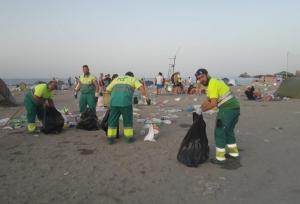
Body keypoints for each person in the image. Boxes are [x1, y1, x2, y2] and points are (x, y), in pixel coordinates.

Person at [195, 68, 240, 164]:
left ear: (207, 74)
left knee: (219, 132)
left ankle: (220, 158)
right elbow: (208, 100)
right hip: (235, 109)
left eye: (202, 77)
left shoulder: (212, 83)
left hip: (227, 109)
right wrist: (200, 107)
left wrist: (201, 110)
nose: (201, 80)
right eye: (199, 78)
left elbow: (213, 104)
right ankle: (234, 154)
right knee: (228, 131)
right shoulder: (213, 82)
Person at [105, 71, 150, 144]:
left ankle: (110, 139)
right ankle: (129, 138)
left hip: (114, 102)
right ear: (132, 76)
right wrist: (146, 97)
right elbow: (141, 87)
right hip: (125, 103)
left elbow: (107, 90)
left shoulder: (117, 79)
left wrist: (114, 96)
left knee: (112, 120)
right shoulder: (133, 79)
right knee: (127, 119)